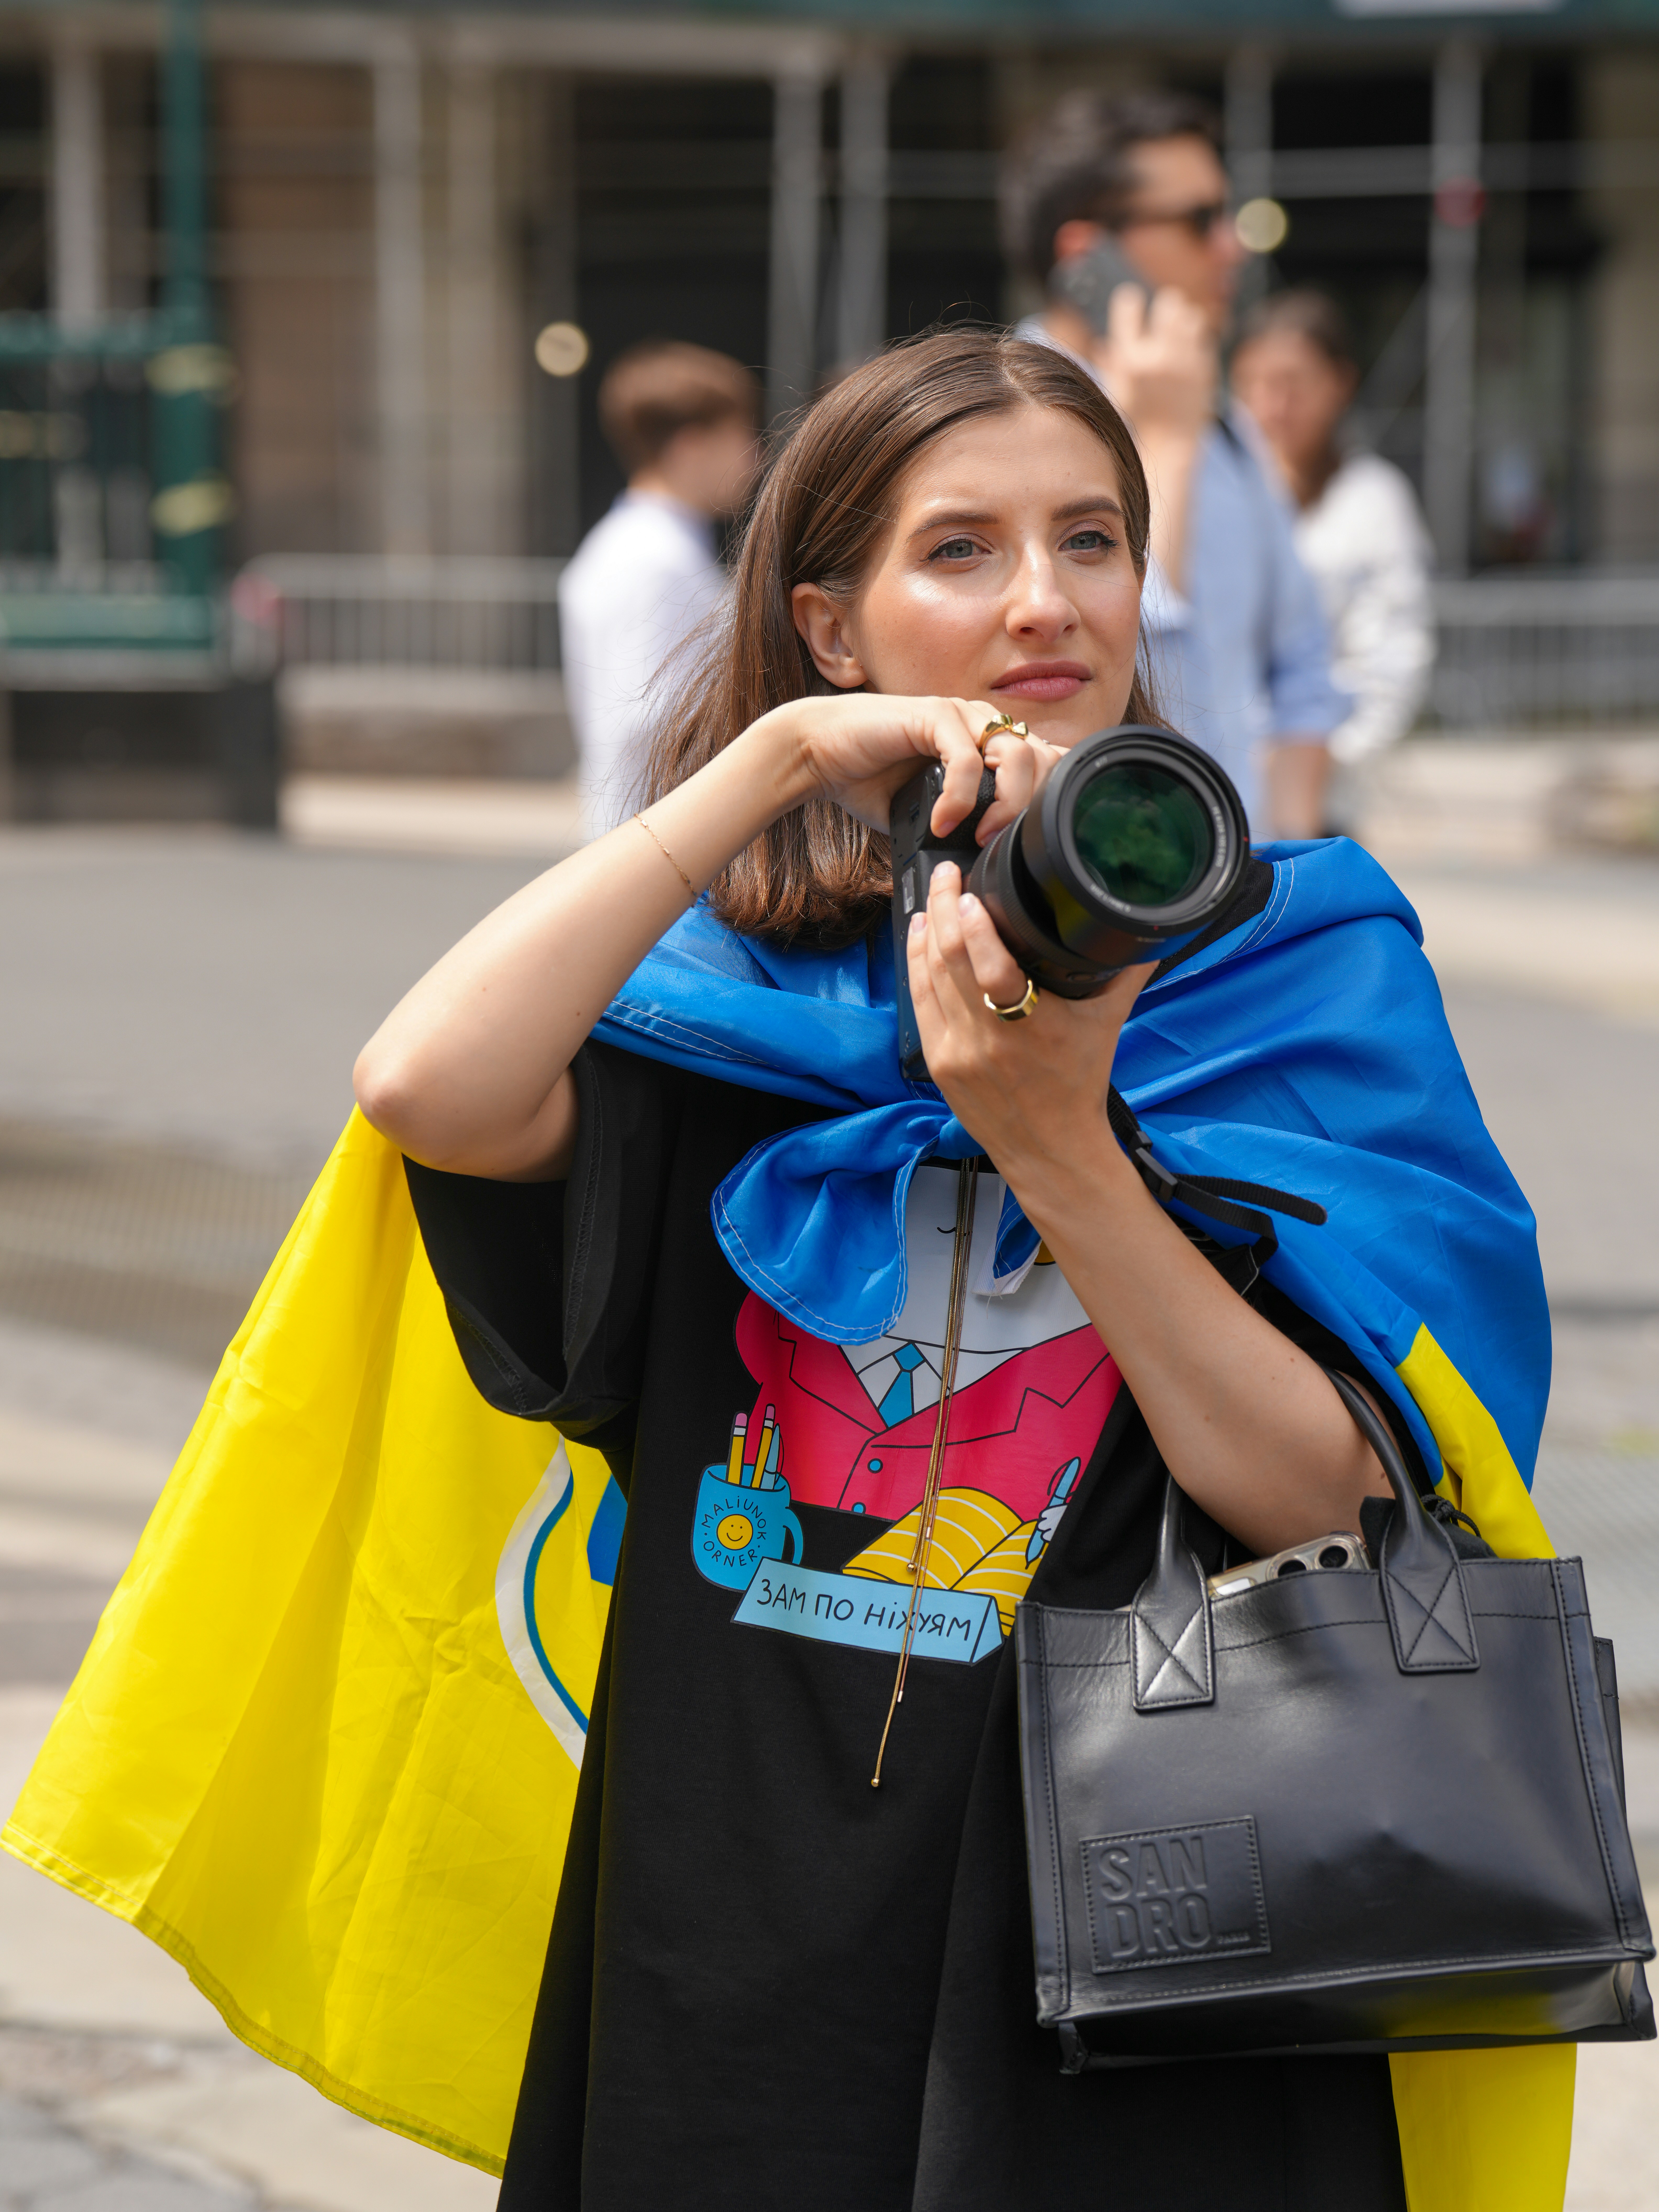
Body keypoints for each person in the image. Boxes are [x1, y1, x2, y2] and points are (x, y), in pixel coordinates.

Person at [350, 330, 1557, 2208]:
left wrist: (1058, 1138)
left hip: (1159, 1930)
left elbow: (1324, 1494)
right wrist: (757, 772)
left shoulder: (1290, 970)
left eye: (1091, 541)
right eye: (963, 551)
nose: (1047, 601)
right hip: (737, 1906)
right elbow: (424, 1086)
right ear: (833, 624)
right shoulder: (723, 1002)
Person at [1001, 89, 1346, 838]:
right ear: (1088, 256)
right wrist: (1164, 442)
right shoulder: (992, 427)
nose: (1233, 247)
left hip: (1237, 898)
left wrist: (1281, 872)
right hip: (1081, 889)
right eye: (1198, 222)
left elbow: (1303, 668)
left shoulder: (1229, 429)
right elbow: (1142, 653)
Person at [1231, 289, 1435, 829]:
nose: (1273, 405)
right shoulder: (1211, 498)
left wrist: (1325, 755)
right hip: (1213, 791)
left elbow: (1393, 655)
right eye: (1255, 384)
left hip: (1323, 800)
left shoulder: (1372, 501)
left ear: (1340, 384)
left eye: (1293, 384)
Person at [558, 339, 760, 833]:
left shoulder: (631, 544)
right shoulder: (656, 559)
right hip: (658, 839)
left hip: (639, 834)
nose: (755, 458)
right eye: (743, 437)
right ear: (691, 445)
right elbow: (647, 721)